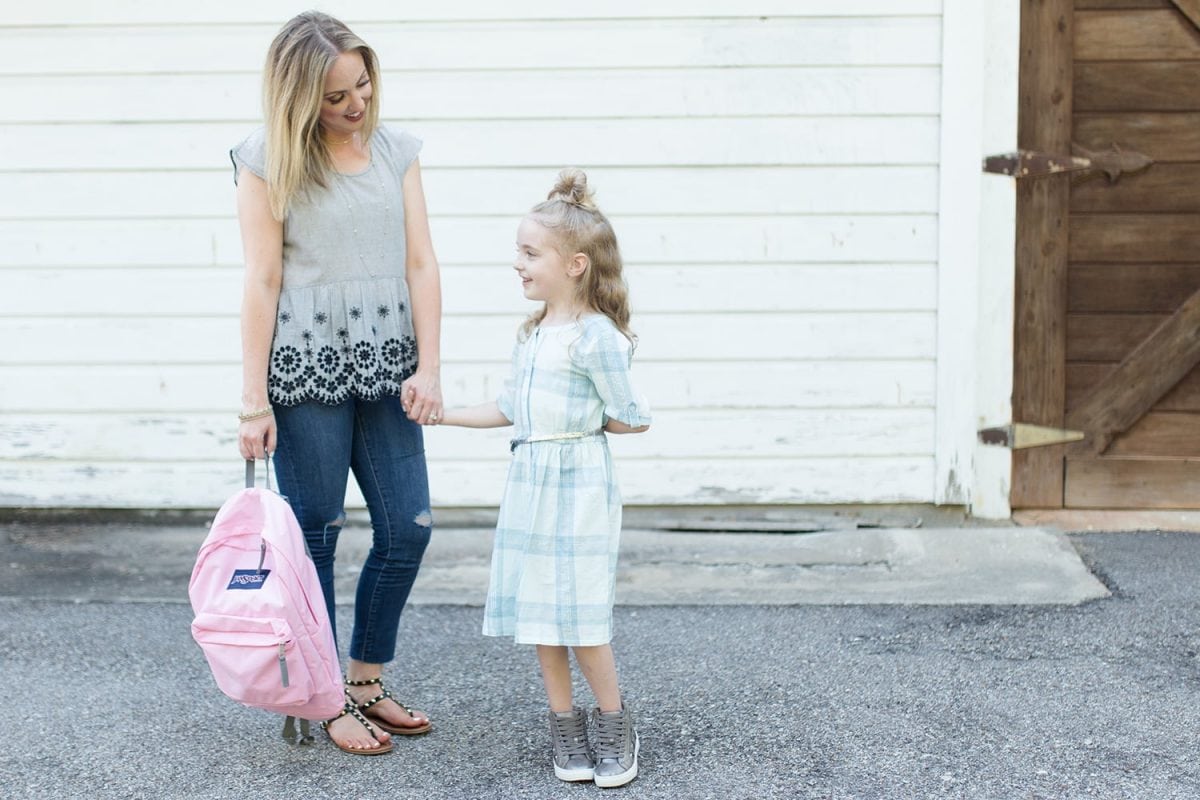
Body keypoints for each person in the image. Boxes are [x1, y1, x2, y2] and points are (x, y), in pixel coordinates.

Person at [232, 11, 442, 756]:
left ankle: (364, 680)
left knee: (407, 528)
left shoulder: (398, 150)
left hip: (390, 368)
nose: (356, 104)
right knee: (315, 535)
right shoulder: (265, 159)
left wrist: (431, 364)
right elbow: (262, 277)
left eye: (362, 84)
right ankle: (323, 697)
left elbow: (421, 262)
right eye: (335, 96)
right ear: (298, 100)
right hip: (305, 371)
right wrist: (253, 398)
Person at [433, 169, 651, 787]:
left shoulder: (595, 337)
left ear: (576, 264)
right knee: (541, 615)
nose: (518, 265)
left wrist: (579, 429)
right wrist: (443, 413)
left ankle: (613, 721)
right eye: (519, 253)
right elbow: (509, 409)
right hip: (531, 483)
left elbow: (629, 418)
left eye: (530, 254)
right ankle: (565, 725)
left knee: (579, 613)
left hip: (578, 485)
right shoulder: (531, 336)